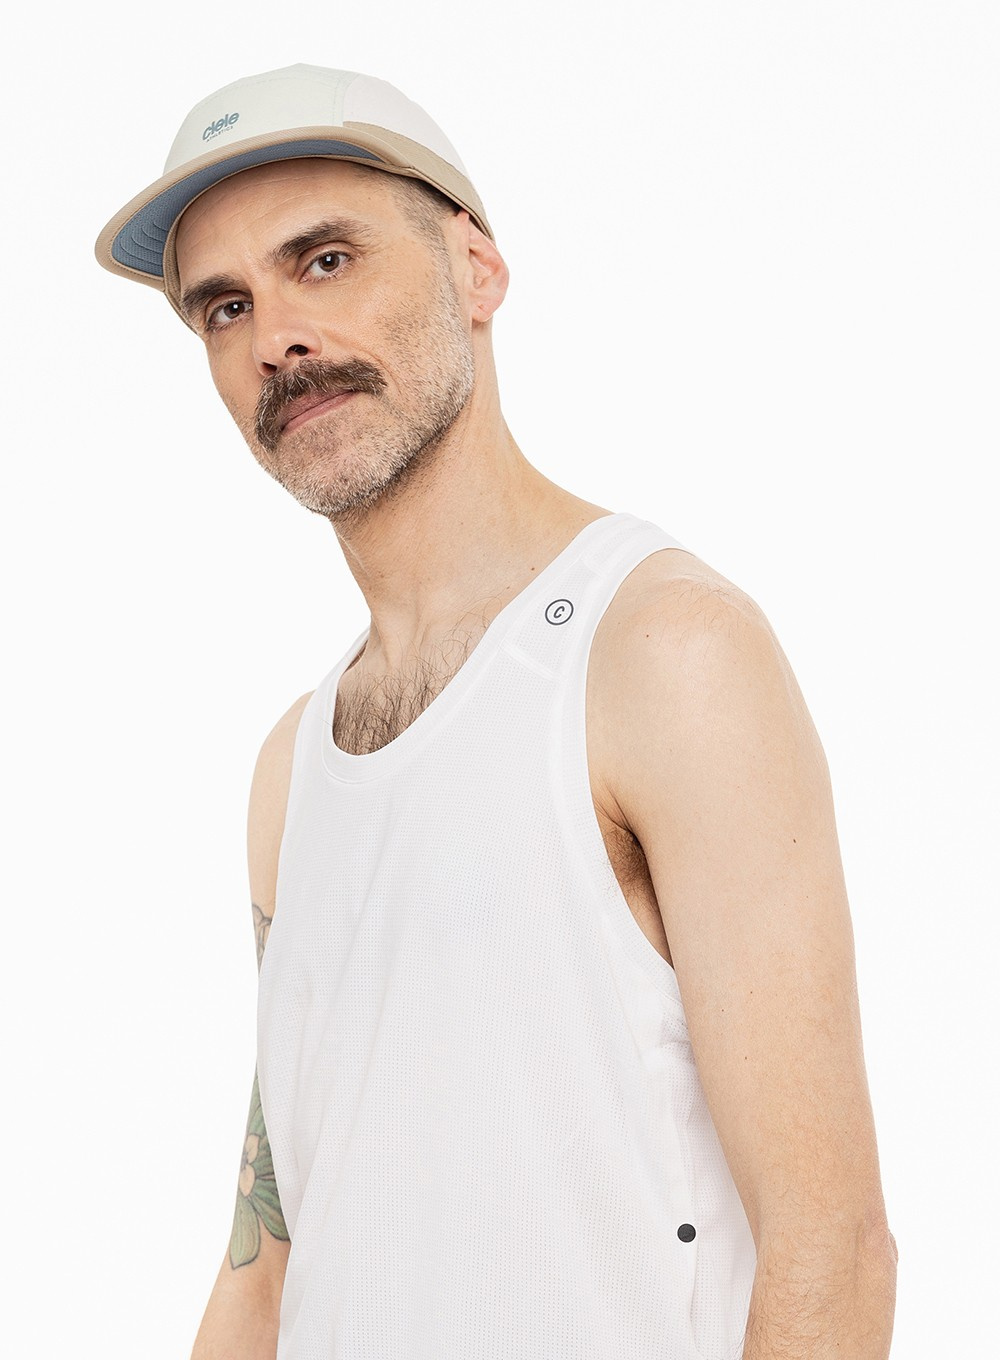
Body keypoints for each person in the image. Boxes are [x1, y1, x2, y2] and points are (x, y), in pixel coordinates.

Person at [96, 63, 897, 1360]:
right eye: (225, 306)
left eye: (325, 260)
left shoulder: (661, 652)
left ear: (476, 271)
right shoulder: (292, 771)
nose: (276, 339)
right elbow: (267, 1264)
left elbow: (831, 1250)